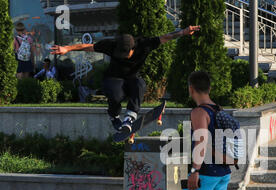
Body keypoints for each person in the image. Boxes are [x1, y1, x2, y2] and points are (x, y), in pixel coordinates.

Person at [50, 26, 200, 132]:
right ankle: (114, 115)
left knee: (139, 84)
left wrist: (183, 32)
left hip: (131, 78)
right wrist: (67, 48)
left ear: (133, 48)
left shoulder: (144, 44)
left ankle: (129, 117)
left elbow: (166, 37)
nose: (121, 56)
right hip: (113, 78)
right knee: (115, 95)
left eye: (125, 53)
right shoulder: (111, 44)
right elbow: (87, 46)